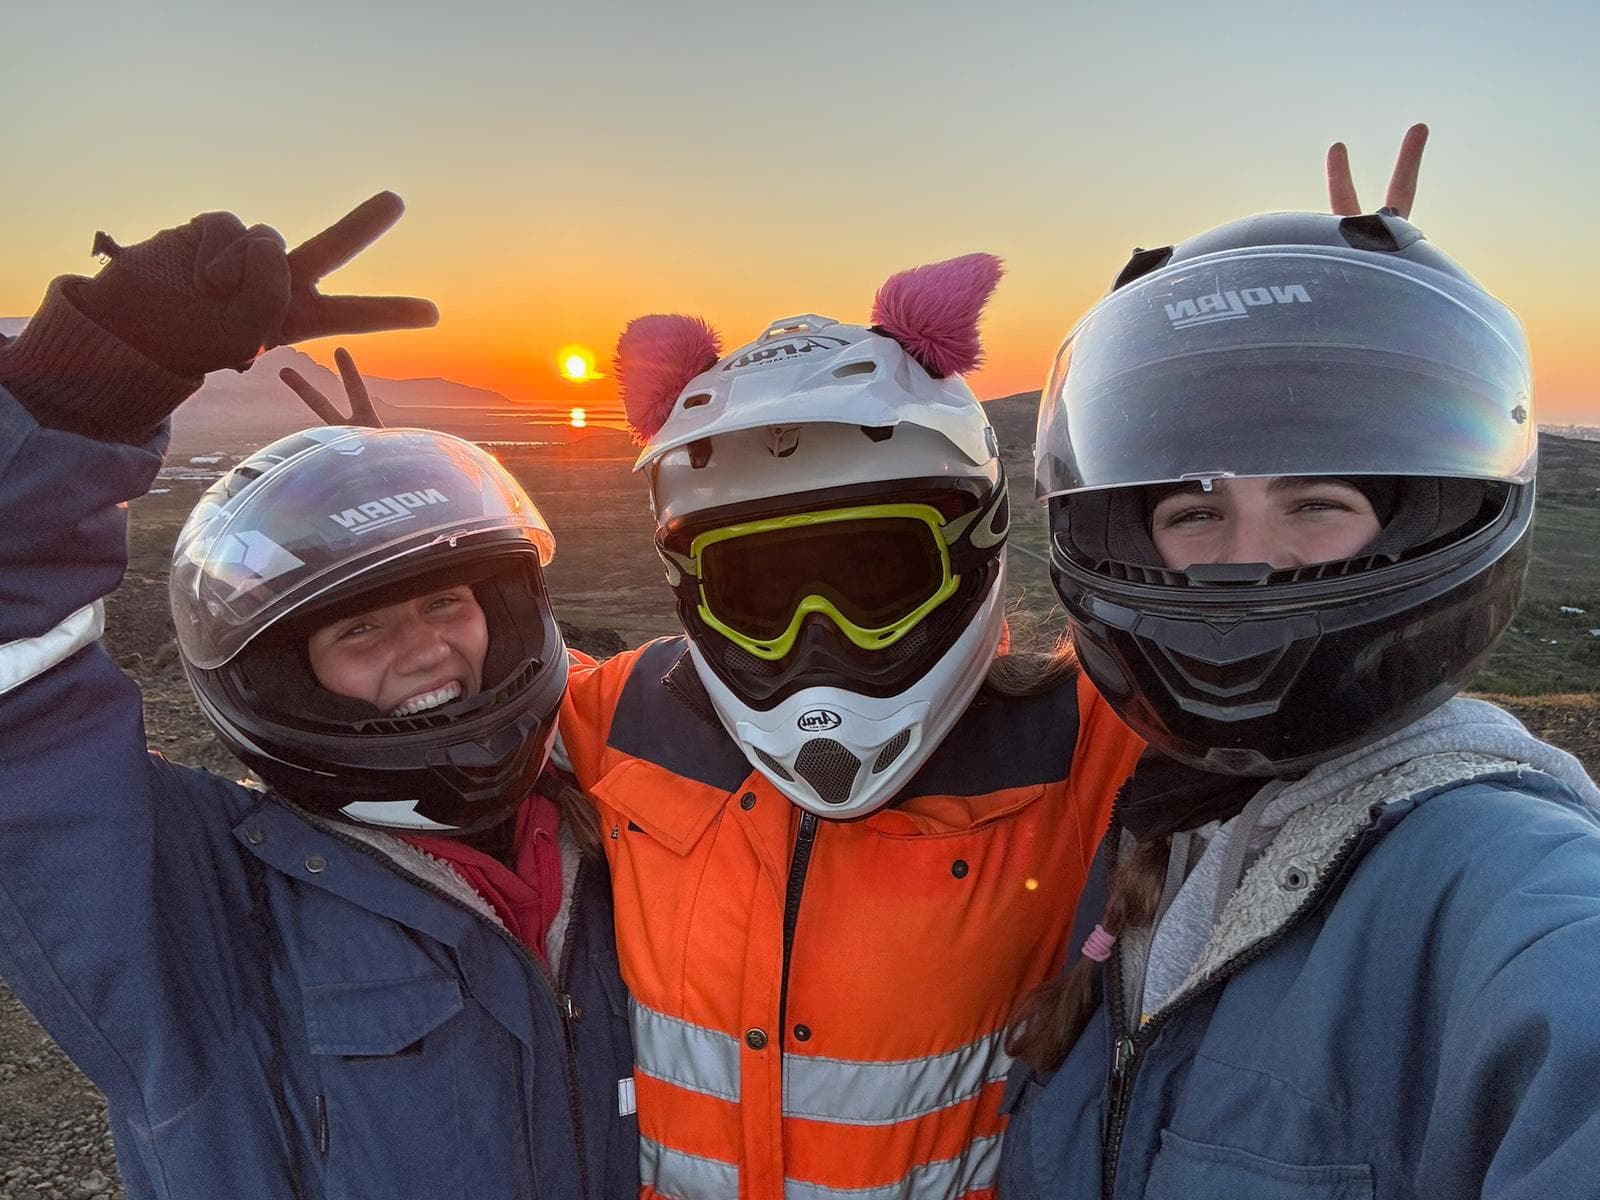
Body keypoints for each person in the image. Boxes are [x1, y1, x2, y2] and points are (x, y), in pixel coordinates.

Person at [0, 197, 637, 1199]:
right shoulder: (194, 904)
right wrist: (88, 384)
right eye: (359, 631)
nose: (425, 649)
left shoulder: (627, 825)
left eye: (445, 601)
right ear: (282, 676)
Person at [998, 205, 1600, 1198]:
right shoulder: (1160, 823)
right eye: (1194, 509)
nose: (1251, 558)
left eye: (1315, 503)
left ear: (1423, 525)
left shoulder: (1508, 883)